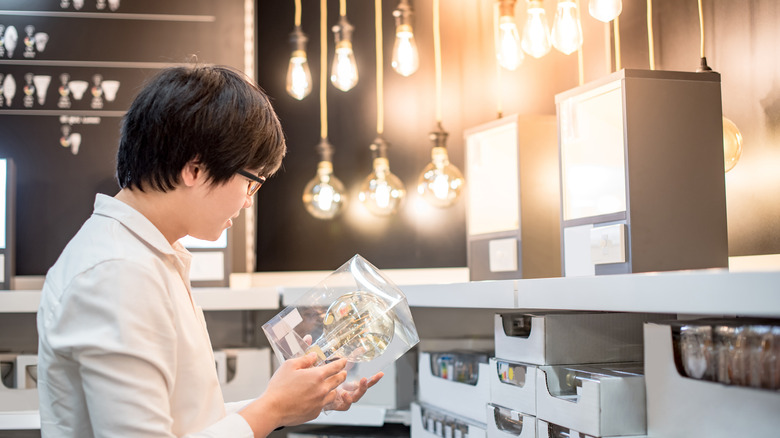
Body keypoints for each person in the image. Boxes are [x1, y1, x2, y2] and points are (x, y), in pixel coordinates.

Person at [36, 65, 382, 437]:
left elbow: (186, 419)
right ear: (195, 169)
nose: (249, 202)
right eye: (251, 183)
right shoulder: (117, 273)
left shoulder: (145, 256)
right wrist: (272, 407)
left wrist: (287, 403)